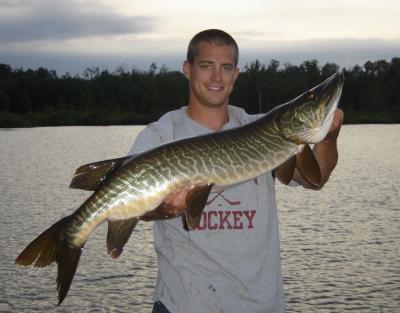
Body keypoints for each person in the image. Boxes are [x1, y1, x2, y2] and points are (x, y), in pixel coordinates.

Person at [128, 29, 344, 313]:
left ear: (236, 75)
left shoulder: (263, 130)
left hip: (260, 305)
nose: (216, 78)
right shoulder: (160, 135)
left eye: (226, 68)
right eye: (206, 66)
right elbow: (136, 207)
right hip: (184, 304)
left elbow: (315, 179)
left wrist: (327, 137)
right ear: (187, 69)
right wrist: (164, 209)